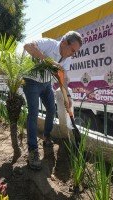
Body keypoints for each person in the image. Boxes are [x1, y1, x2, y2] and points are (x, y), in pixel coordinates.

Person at [23, 31, 83, 170]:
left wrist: (67, 96)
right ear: (64, 43)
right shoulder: (49, 44)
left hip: (46, 84)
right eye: (72, 50)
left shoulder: (67, 58)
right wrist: (50, 62)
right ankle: (32, 151)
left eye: (75, 52)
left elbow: (63, 78)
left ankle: (46, 136)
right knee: (33, 114)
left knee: (51, 109)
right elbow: (27, 46)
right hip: (31, 81)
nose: (73, 54)